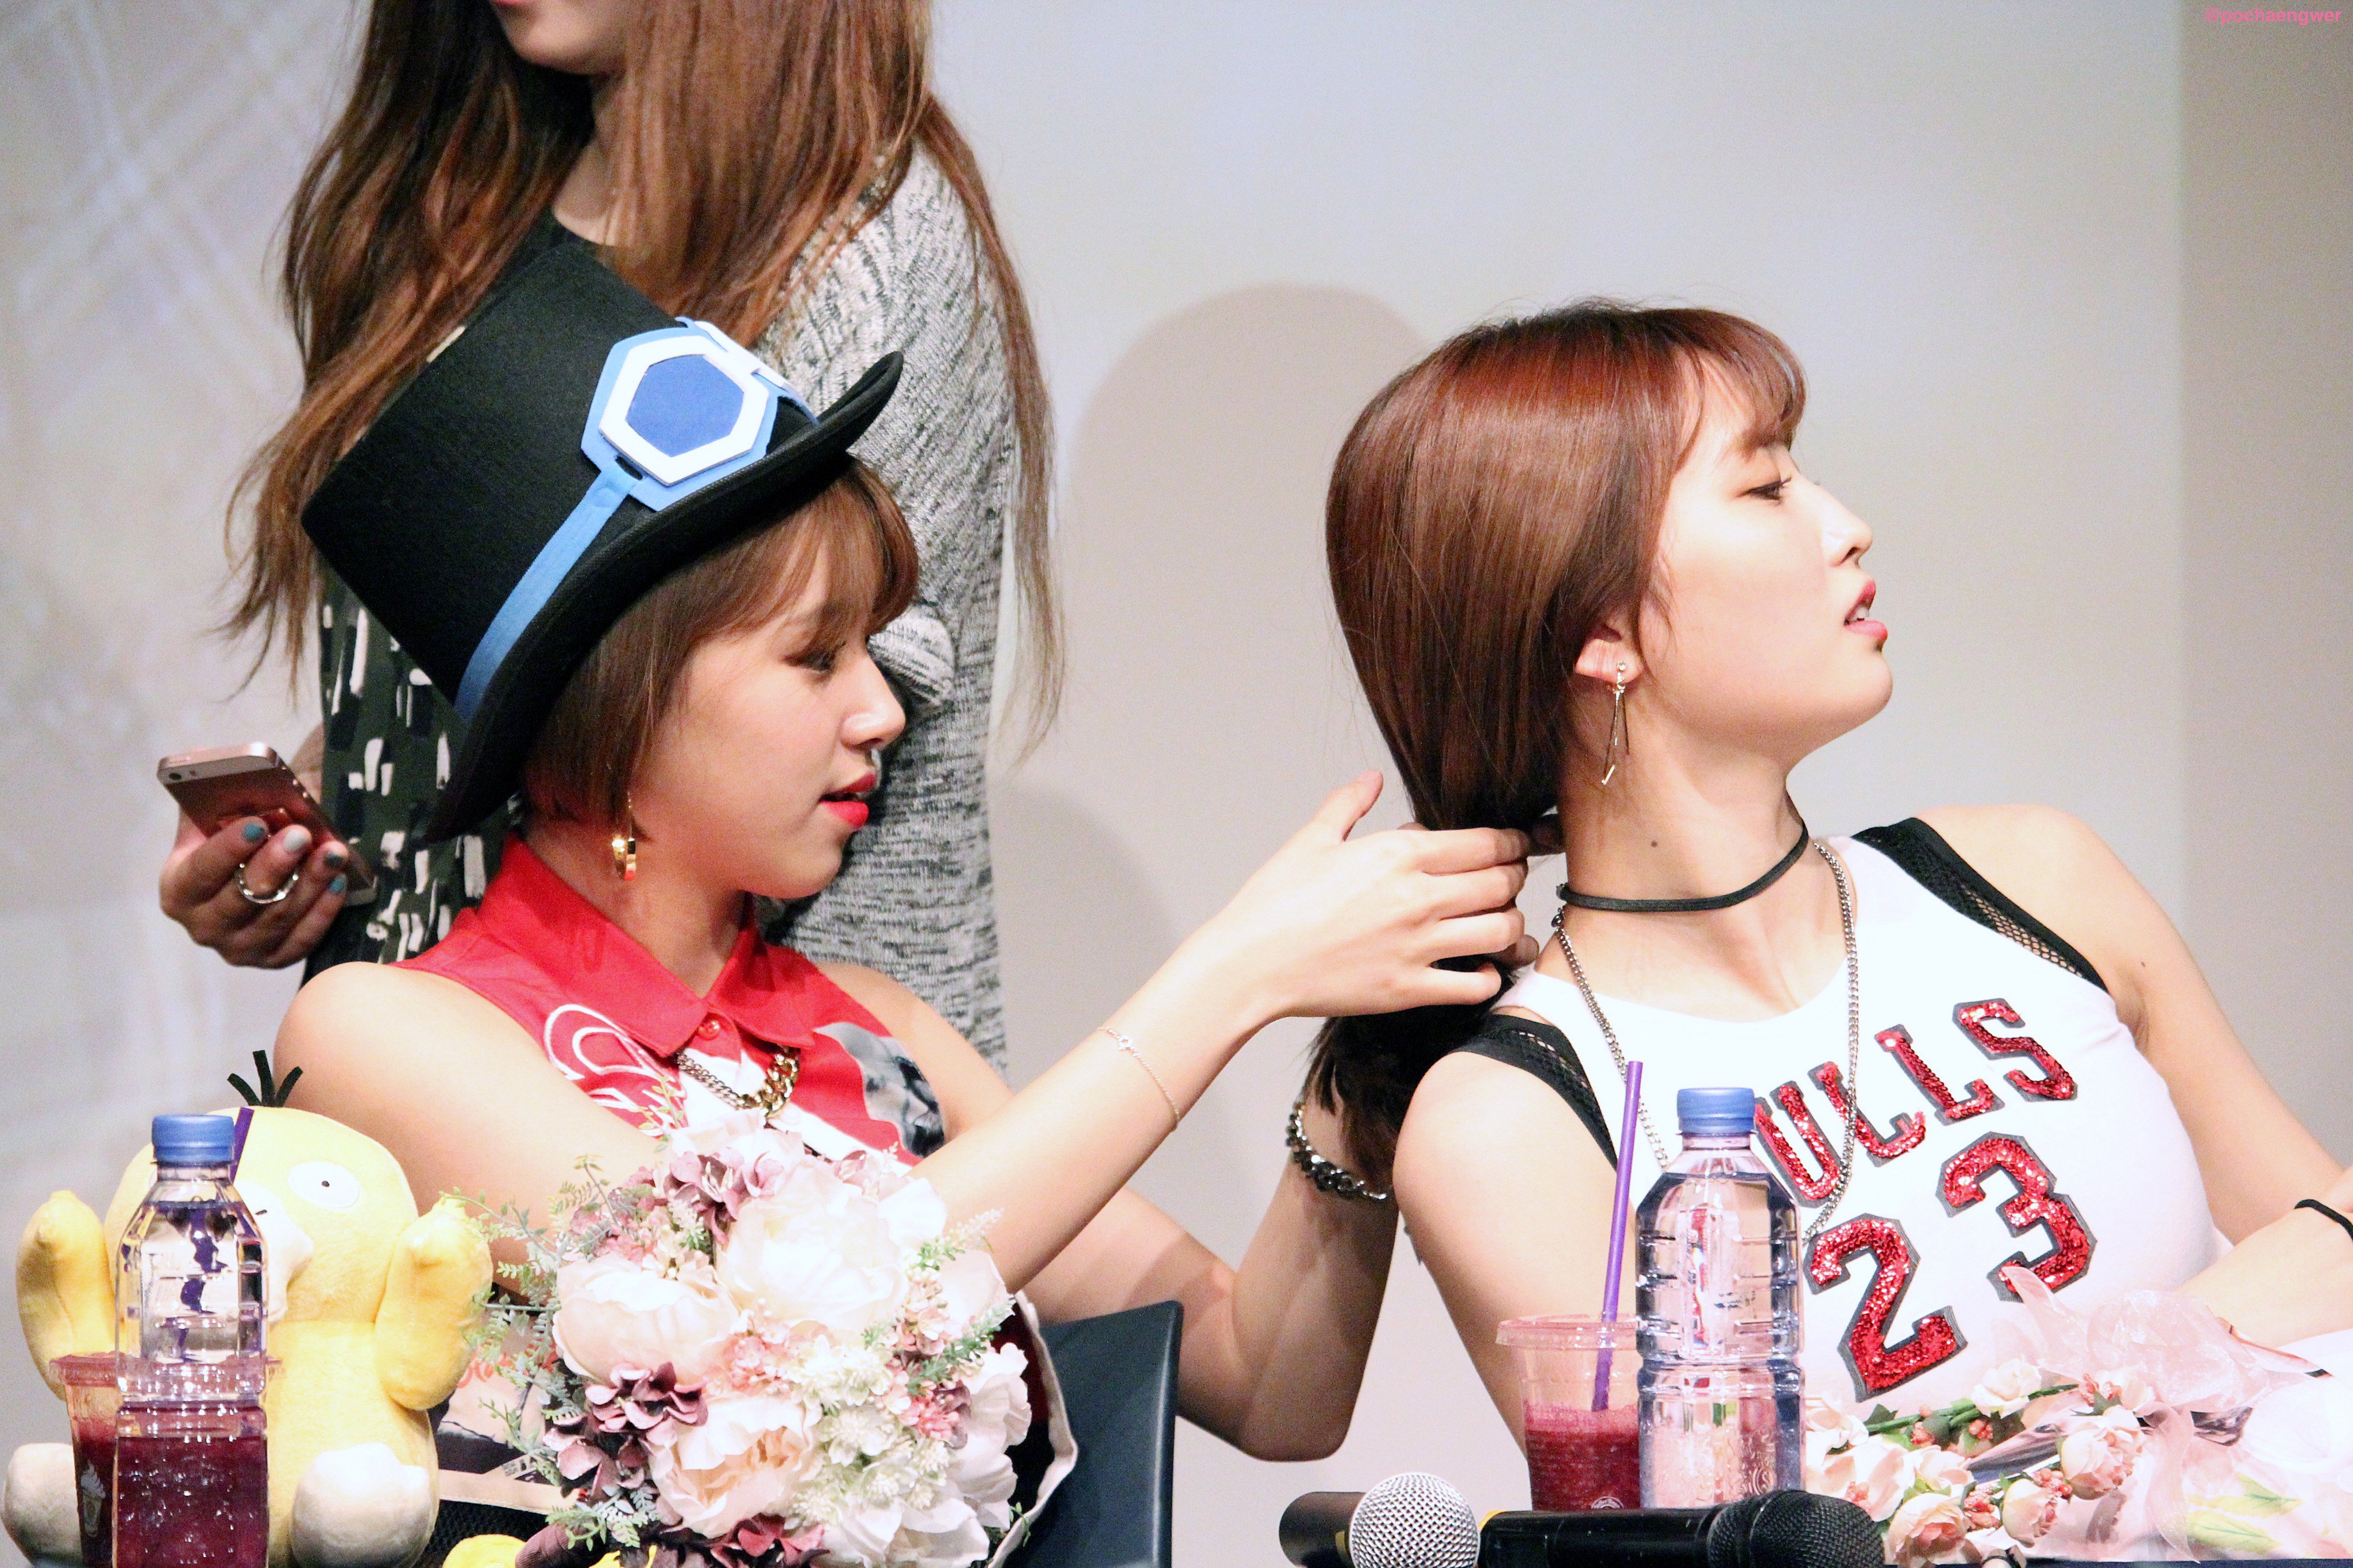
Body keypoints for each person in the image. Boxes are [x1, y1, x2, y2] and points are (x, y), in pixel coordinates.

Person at [271, 243, 1532, 1460]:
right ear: (622, 702)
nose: (881, 709)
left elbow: (1268, 1383)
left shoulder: (876, 1030)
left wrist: (1363, 1069)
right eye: (816, 657)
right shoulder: (385, 1031)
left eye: (871, 648)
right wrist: (1234, 974)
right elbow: (765, 1341)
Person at [1307, 301, 2353, 1436]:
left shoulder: (2024, 883)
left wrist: (2150, 1361)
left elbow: (2326, 1249)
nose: (1848, 528)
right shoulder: (1507, 1122)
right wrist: (2130, 1387)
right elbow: (1699, 1517)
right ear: (1598, 631)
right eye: (1765, 489)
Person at [163, 0, 1043, 1061]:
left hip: (721, 1103)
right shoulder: (445, 198)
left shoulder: (861, 252)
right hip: (411, 1054)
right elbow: (503, 667)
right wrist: (325, 810)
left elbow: (759, 741)